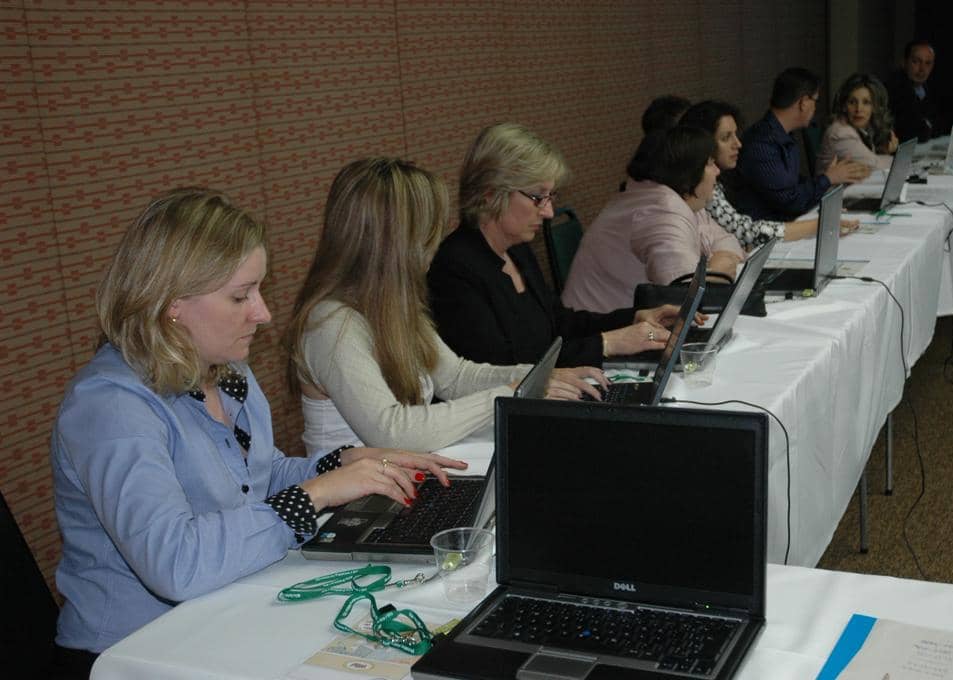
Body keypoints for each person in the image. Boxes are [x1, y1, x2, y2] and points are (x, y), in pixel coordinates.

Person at [49, 188, 466, 676]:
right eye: (240, 296)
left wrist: (341, 465)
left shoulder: (222, 369)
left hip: (219, 611)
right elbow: (176, 564)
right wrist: (313, 495)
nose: (263, 313)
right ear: (171, 304)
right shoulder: (110, 408)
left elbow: (252, 477)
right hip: (138, 651)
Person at [284, 158, 605, 456]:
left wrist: (539, 377)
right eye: (429, 233)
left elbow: (454, 377)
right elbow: (392, 432)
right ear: (397, 242)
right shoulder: (331, 323)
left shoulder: (393, 304)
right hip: (353, 510)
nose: (436, 244)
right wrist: (510, 393)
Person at [427, 122, 678, 369]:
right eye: (538, 198)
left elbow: (559, 324)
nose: (548, 212)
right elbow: (503, 367)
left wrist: (633, 318)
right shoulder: (453, 269)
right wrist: (607, 343)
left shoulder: (517, 249)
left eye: (550, 197)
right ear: (491, 193)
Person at [561, 125, 745, 314]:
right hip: (602, 329)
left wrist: (714, 268)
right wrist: (719, 269)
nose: (717, 171)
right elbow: (685, 297)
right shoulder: (659, 210)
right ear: (689, 170)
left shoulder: (678, 198)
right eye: (709, 163)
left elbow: (729, 242)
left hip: (630, 323)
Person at [731, 67, 870, 221]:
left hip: (790, 223)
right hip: (772, 235)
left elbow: (794, 185)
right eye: (815, 100)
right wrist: (828, 178)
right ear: (803, 102)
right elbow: (791, 201)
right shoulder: (761, 143)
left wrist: (828, 180)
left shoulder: (784, 135)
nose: (815, 107)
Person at [681, 99, 825, 246]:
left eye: (736, 135)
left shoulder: (727, 175)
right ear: (702, 143)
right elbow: (746, 232)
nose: (738, 144)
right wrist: (816, 226)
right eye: (726, 138)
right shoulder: (701, 183)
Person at [816, 73, 898, 174]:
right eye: (852, 102)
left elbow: (869, 161)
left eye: (866, 102)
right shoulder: (841, 133)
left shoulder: (863, 129)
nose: (858, 109)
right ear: (844, 106)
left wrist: (885, 152)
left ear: (874, 107)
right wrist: (900, 161)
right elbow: (874, 165)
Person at [887, 40, 939, 143]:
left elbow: (939, 126)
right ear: (904, 62)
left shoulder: (931, 89)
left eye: (928, 63)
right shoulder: (893, 89)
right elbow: (909, 133)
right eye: (916, 61)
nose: (922, 69)